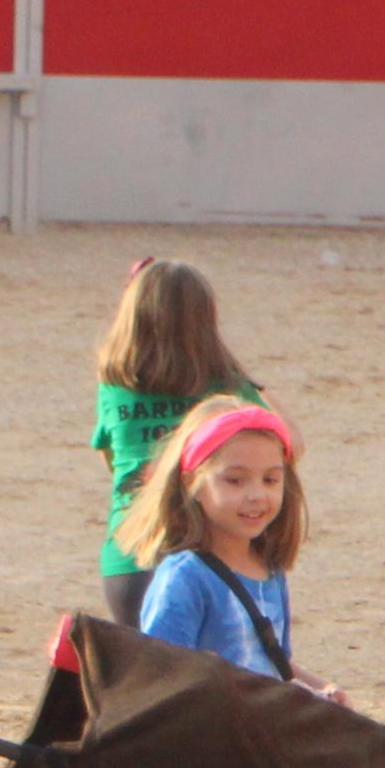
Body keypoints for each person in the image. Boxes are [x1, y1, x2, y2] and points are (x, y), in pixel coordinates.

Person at [127, 400, 339, 698]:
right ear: (192, 483)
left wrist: (322, 689)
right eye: (235, 480)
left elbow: (274, 662)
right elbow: (158, 679)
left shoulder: (269, 569)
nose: (257, 495)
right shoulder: (185, 578)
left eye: (270, 480)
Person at [91, 257, 256, 630]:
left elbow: (113, 461)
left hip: (129, 557)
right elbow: (284, 439)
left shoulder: (115, 384)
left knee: (144, 662)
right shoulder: (226, 387)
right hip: (202, 555)